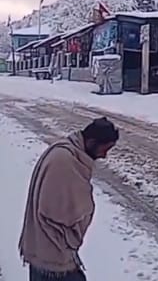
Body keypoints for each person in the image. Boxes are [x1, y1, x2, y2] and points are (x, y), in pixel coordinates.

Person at [19, 117, 120, 281]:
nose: (104, 155)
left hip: (46, 253)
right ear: (92, 141)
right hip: (52, 257)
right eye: (104, 149)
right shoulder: (64, 161)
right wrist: (73, 232)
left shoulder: (68, 153)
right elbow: (55, 212)